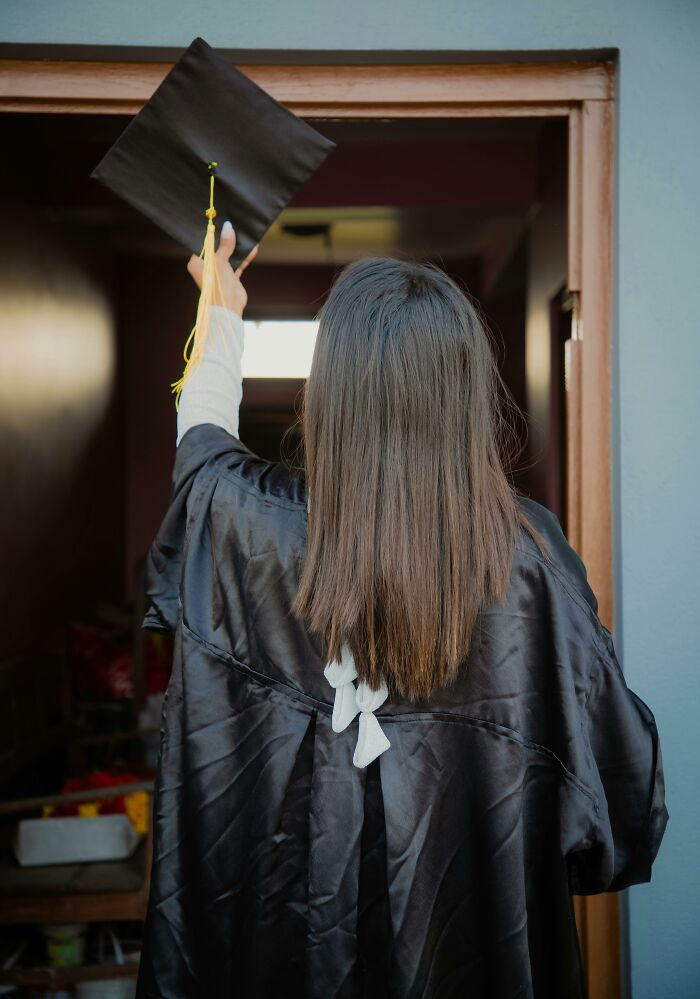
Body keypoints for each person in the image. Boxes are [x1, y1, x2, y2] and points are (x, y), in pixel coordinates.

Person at [135, 221, 668, 999]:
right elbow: (616, 806)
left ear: (329, 393)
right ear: (464, 394)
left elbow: (203, 447)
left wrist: (219, 314)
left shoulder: (244, 524)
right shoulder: (530, 567)